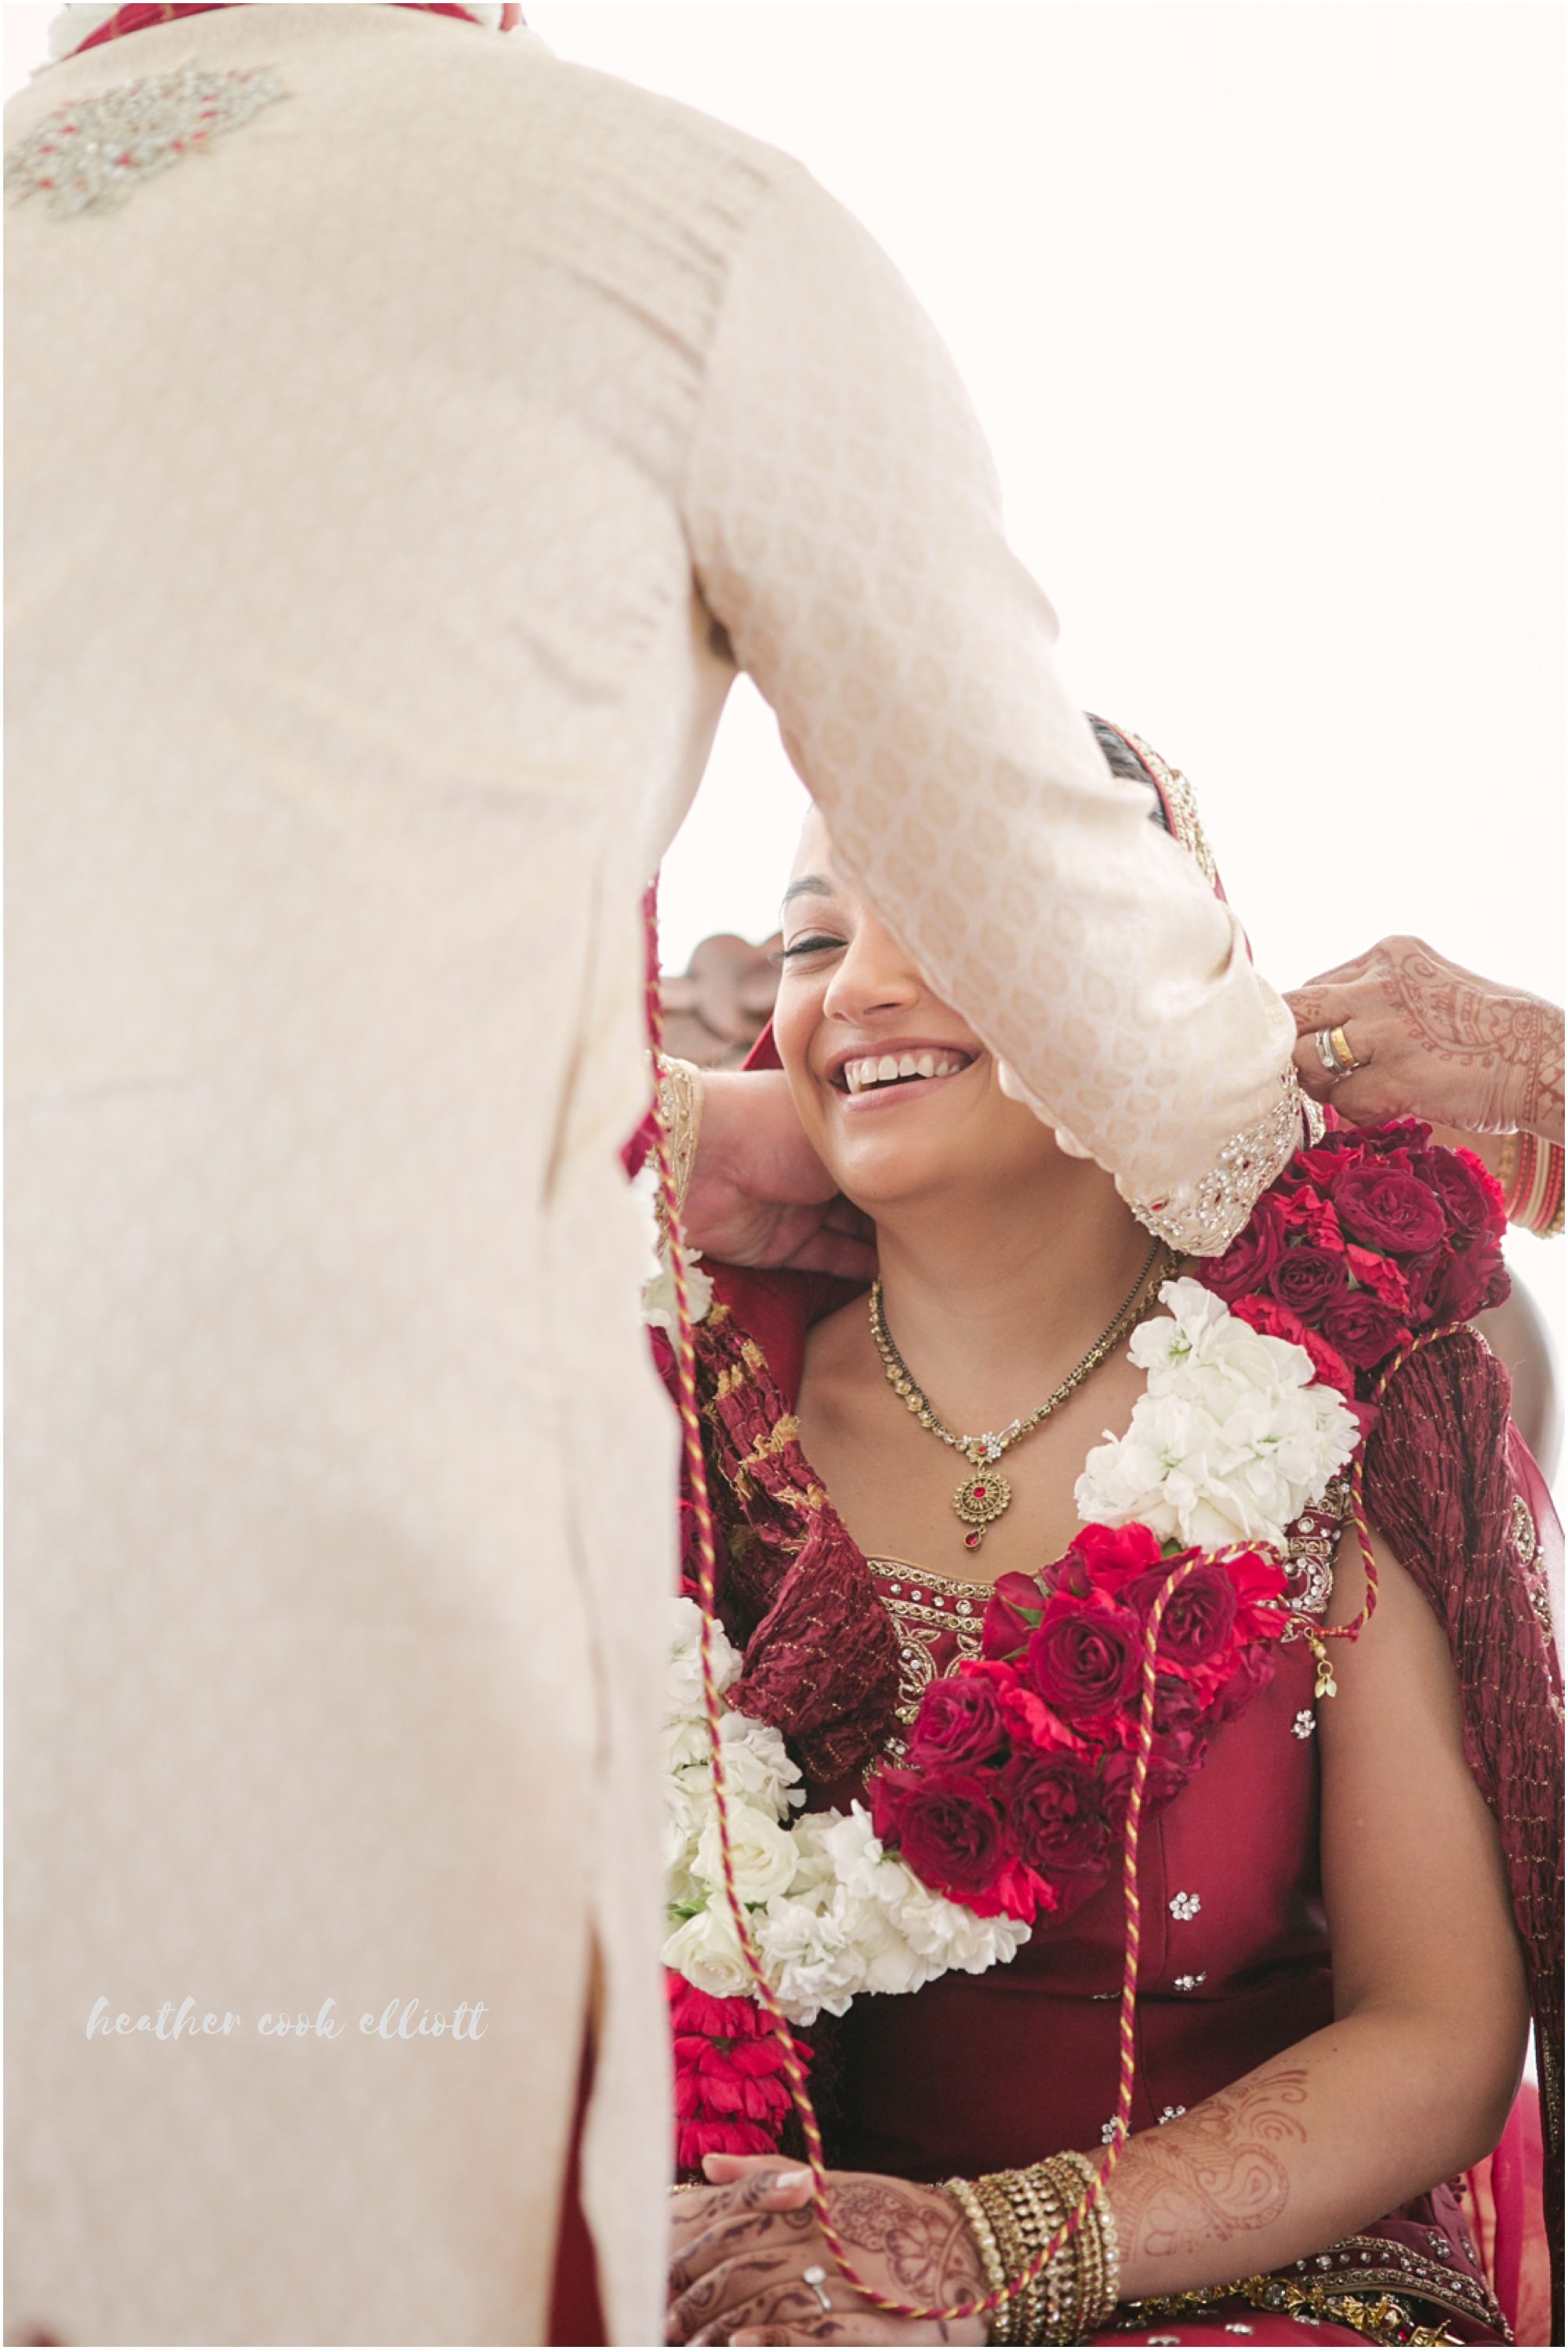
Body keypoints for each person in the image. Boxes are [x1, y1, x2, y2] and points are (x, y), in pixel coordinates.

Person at [5, 8, 1305, 2344]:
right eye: (805, 939)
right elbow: (1070, 939)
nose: (853, 985)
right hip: (320, 1567)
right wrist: (1307, 1142)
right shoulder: (681, 232)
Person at [652, 729, 1563, 2347]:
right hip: (778, 2280)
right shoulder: (701, 1394)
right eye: (811, 939)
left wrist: (982, 2252)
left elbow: (1438, 2032)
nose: (857, 987)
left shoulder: (1339, 1386)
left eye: (953, 913)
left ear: (1155, 982)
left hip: (1270, 2289)